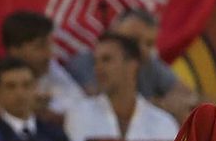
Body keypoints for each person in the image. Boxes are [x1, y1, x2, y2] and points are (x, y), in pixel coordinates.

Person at [64, 7, 199, 121]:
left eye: (149, 44)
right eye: (134, 39)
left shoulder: (148, 63)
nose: (141, 48)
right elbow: (105, 102)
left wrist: (175, 104)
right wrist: (162, 105)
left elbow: (189, 97)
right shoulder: (84, 63)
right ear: (113, 32)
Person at [64, 33, 182, 141]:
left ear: (132, 65)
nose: (98, 68)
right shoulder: (80, 115)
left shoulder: (163, 124)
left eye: (106, 59)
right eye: (95, 62)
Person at [0, 10, 85, 116]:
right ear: (14, 50)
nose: (49, 54)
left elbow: (79, 105)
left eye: (50, 45)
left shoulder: (51, 69)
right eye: (40, 46)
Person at [0, 57, 71, 141]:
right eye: (11, 86)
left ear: (35, 87)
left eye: (26, 85)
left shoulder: (56, 136)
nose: (20, 93)